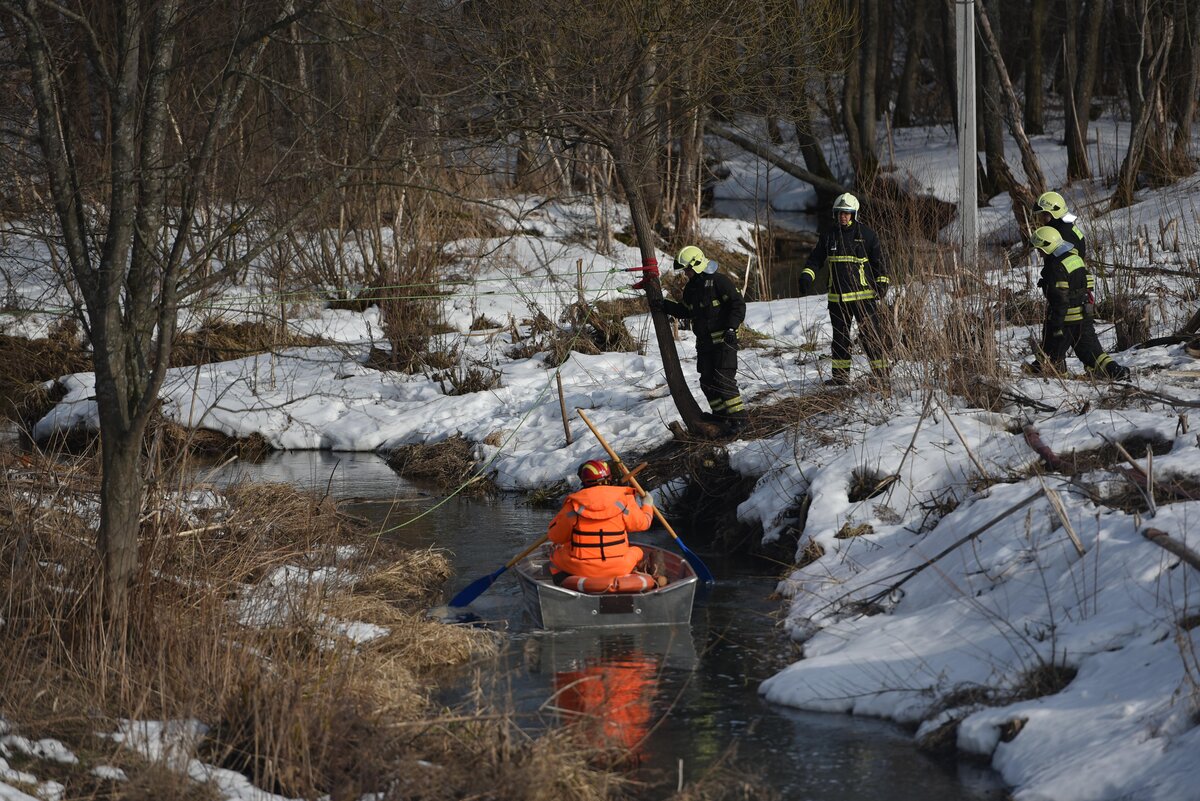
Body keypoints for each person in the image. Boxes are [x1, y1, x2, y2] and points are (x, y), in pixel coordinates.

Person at [649, 245, 748, 431]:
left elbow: (738, 305)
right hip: (704, 345)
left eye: (687, 269)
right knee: (707, 382)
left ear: (696, 265)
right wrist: (664, 305)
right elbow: (686, 311)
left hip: (724, 342)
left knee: (724, 380)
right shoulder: (691, 289)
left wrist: (731, 328)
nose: (685, 273)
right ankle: (722, 417)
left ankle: (739, 419)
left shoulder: (720, 281)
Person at [799, 193, 890, 386]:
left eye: (847, 213)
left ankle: (881, 375)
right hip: (837, 299)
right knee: (839, 339)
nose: (843, 217)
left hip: (863, 298)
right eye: (840, 213)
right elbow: (816, 260)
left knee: (871, 337)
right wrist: (807, 275)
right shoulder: (829, 236)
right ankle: (840, 377)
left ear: (854, 214)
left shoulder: (867, 235)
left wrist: (881, 284)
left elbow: (880, 263)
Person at [1027, 226, 1129, 380]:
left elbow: (1059, 299)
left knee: (1051, 352)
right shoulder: (1074, 258)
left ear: (1047, 247)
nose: (1040, 254)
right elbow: (1087, 282)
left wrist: (1056, 325)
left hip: (1065, 320)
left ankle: (1049, 374)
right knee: (1093, 353)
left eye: (1040, 250)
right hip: (1083, 315)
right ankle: (1115, 371)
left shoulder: (1055, 266)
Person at [547, 459, 654, 585]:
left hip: (582, 569)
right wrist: (647, 505)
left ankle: (562, 582)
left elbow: (555, 537)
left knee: (555, 552)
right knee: (638, 551)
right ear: (610, 478)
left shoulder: (573, 506)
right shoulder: (625, 500)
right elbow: (644, 523)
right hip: (620, 567)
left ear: (584, 481)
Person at [1033, 190, 1086, 258]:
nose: (1041, 218)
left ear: (1055, 213)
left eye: (1045, 214)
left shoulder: (1063, 234)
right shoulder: (1066, 227)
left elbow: (1062, 262)